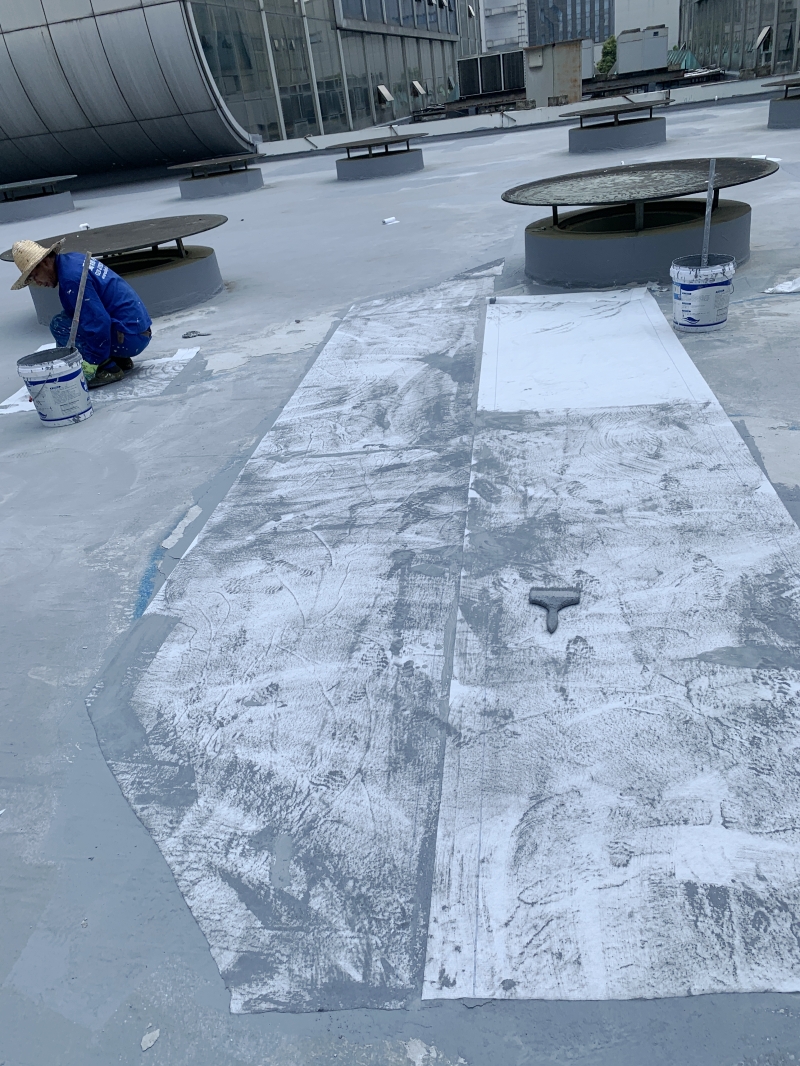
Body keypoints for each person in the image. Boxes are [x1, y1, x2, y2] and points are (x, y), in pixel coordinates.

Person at [10, 239, 152, 388]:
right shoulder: (73, 260)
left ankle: (107, 368)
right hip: (137, 330)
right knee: (70, 317)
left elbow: (98, 321)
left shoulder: (72, 278)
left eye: (35, 275)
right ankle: (117, 359)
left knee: (61, 326)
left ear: (44, 262)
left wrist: (92, 361)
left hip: (129, 337)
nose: (37, 282)